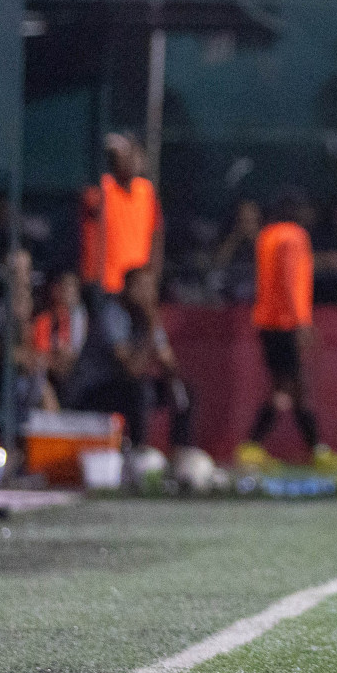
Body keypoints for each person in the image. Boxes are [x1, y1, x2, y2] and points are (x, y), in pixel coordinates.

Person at [235, 190, 337, 473]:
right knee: (294, 387)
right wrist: (301, 322)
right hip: (286, 323)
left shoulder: (267, 236)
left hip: (267, 321)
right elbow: (289, 281)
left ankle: (265, 447)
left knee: (286, 388)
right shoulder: (294, 235)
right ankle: (307, 450)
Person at [65, 266, 194, 456]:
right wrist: (151, 329)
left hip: (125, 386)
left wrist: (173, 378)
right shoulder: (112, 315)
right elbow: (132, 369)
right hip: (91, 391)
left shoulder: (147, 316)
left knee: (184, 391)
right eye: (140, 287)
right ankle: (137, 454)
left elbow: (169, 364)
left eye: (150, 288)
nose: (146, 294)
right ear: (127, 288)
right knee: (139, 391)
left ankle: (182, 455)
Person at [80, 132, 163, 297]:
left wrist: (153, 278)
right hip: (106, 287)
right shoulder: (102, 188)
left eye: (134, 154)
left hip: (138, 287)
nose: (132, 160)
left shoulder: (146, 191)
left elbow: (156, 236)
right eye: (125, 155)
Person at [32, 270, 87, 404]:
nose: (67, 292)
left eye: (72, 287)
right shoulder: (42, 315)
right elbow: (37, 352)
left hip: (69, 375)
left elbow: (70, 357)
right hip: (41, 370)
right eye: (63, 286)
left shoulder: (79, 316)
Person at [211, 199, 263, 303]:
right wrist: (237, 236)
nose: (247, 218)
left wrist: (254, 237)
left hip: (258, 280)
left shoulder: (265, 236)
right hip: (235, 281)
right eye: (243, 215)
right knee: (214, 278)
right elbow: (219, 262)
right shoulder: (233, 236)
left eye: (250, 214)